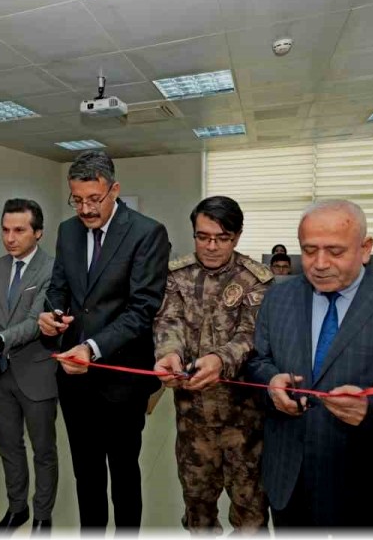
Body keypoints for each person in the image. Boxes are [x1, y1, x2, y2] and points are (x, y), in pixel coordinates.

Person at [244, 199, 373, 528]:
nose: (319, 264)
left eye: (335, 252)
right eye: (309, 251)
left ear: (365, 249)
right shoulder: (278, 298)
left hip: (366, 484)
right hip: (289, 476)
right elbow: (258, 361)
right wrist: (271, 383)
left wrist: (371, 406)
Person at [37, 151, 170, 531]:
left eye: (94, 199)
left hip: (121, 377)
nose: (85, 209)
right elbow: (58, 287)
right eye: (77, 199)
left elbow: (142, 308)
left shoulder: (147, 232)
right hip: (75, 380)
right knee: (87, 472)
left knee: (124, 472)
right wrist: (51, 315)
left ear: (114, 190)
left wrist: (92, 348)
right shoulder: (68, 231)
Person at [153, 196, 271, 533]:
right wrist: (170, 354)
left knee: (250, 513)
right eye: (203, 236)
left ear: (236, 236)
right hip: (193, 420)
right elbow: (168, 323)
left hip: (244, 424)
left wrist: (220, 359)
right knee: (197, 508)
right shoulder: (178, 275)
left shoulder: (256, 280)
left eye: (221, 238)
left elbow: (254, 337)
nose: (211, 246)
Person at [0, 199, 57, 534]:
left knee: (43, 450)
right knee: (8, 446)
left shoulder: (51, 270)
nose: (10, 237)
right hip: (0, 376)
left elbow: (36, 322)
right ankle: (16, 508)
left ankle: (42, 516)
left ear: (38, 232)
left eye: (19, 230)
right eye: (5, 230)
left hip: (36, 374)